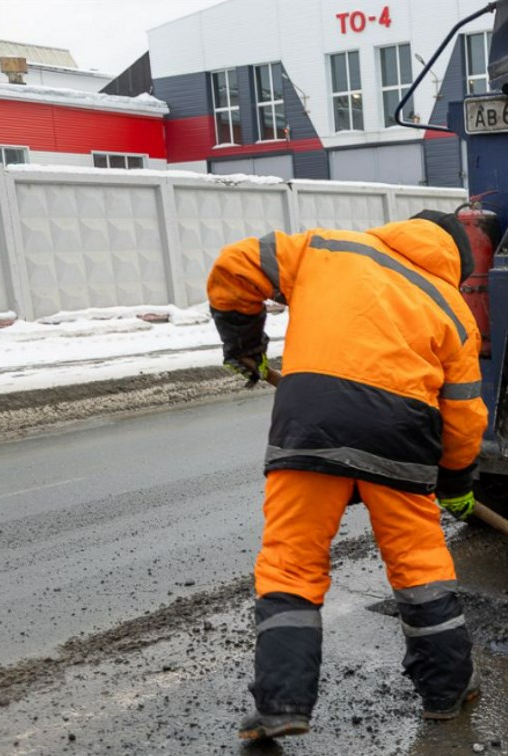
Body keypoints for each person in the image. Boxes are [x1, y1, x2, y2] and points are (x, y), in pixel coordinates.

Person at [206, 211, 489, 740]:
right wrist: (455, 484)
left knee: (290, 564)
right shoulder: (453, 309)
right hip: (402, 438)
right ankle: (447, 693)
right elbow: (464, 414)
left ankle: (282, 706)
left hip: (311, 422)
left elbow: (234, 266)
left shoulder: (324, 247)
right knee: (419, 566)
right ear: (454, 261)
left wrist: (243, 346)